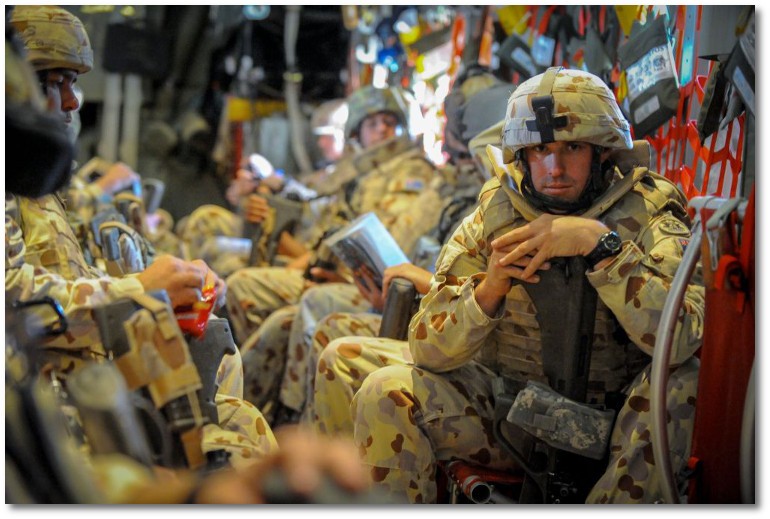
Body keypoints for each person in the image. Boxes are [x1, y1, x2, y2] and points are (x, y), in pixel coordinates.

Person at [350, 67, 705, 504]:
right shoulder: (495, 214)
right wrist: (488, 291)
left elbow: (683, 335)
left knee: (684, 380)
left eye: (571, 147)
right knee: (385, 390)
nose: (554, 168)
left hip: (614, 427)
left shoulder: (650, 212)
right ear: (521, 157)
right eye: (539, 151)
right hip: (510, 415)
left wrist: (602, 247)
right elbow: (427, 348)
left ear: (603, 152)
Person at [6, 5, 277, 467]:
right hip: (43, 393)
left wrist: (177, 281)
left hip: (86, 365)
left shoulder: (38, 181)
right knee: (233, 445)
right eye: (54, 84)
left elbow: (81, 261)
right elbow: (11, 295)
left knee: (234, 407)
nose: (73, 102)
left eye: (73, 83)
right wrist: (138, 291)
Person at [289, 69, 513, 433]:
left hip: (472, 352)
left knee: (335, 335)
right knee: (328, 326)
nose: (551, 166)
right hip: (438, 322)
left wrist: (420, 288)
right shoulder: (470, 193)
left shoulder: (502, 205)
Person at [227, 84, 442, 422]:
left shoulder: (412, 171)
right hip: (338, 274)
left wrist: (330, 270)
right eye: (373, 124)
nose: (383, 130)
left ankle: (283, 412)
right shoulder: (362, 172)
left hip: (375, 288)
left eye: (390, 122)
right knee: (251, 292)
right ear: (358, 131)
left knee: (284, 304)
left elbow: (388, 242)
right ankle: (246, 404)